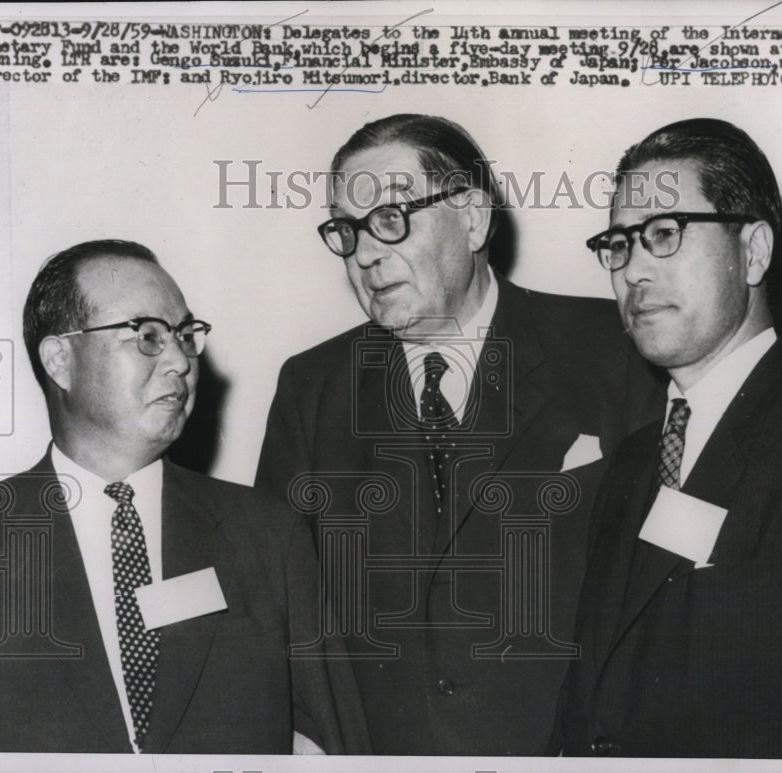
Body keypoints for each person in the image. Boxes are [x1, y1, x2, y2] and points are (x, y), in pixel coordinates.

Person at [255, 114, 663, 755]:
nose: (364, 253)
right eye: (347, 230)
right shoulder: (313, 389)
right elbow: (279, 607)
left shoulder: (617, 351)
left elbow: (666, 600)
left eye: (391, 218)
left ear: (473, 218)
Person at [556, 118, 782, 758]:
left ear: (754, 251)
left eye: (663, 234)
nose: (633, 272)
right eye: (619, 245)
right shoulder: (630, 460)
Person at [0, 239, 369, 754]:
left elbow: (333, 744)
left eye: (185, 334)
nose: (180, 360)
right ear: (60, 360)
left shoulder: (268, 534)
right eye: (147, 335)